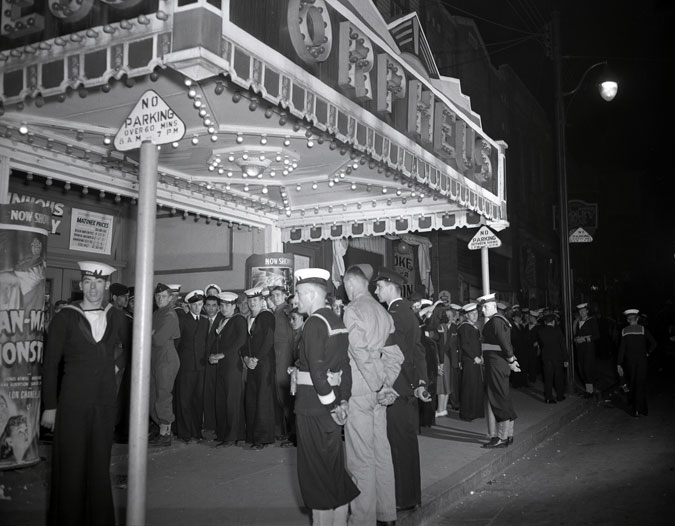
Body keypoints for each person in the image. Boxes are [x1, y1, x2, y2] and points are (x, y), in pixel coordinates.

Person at [41, 260, 128, 526]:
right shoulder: (65, 316)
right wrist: (50, 406)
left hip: (104, 404)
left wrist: (115, 365)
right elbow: (50, 364)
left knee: (99, 467)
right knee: (71, 468)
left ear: (106, 287)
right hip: (72, 403)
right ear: (81, 285)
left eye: (99, 282)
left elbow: (133, 348)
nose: (93, 288)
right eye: (88, 282)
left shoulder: (116, 315)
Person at [293, 268, 360, 525]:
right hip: (332, 407)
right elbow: (345, 367)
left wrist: (332, 404)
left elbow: (318, 371)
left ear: (311, 294)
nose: (296, 300)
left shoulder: (313, 324)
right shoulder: (336, 321)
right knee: (332, 469)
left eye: (299, 294)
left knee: (315, 474)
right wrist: (342, 399)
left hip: (314, 407)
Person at [342, 264, 403, 526]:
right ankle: (386, 515)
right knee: (381, 452)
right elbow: (394, 355)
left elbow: (359, 353)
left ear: (350, 284)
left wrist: (379, 385)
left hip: (360, 391)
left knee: (360, 459)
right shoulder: (383, 312)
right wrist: (386, 384)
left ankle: (362, 520)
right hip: (380, 394)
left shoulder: (352, 310)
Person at [374, 267, 430, 512]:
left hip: (396, 386)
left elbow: (391, 355)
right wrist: (420, 382)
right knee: (405, 442)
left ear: (390, 286)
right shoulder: (407, 311)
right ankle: (410, 496)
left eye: (378, 287)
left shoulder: (394, 314)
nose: (376, 291)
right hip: (407, 386)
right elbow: (418, 351)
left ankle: (401, 498)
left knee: (397, 444)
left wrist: (387, 384)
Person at [478, 293, 519, 449]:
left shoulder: (495, 321)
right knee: (504, 397)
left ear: (493, 306)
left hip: (496, 364)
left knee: (497, 398)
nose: (483, 310)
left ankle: (501, 438)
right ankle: (508, 435)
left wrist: (511, 360)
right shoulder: (499, 321)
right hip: (497, 363)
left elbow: (505, 344)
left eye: (486, 307)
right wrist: (511, 360)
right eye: (482, 307)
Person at [210, 291, 247, 446]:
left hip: (232, 365)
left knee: (231, 401)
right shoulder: (223, 320)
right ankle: (225, 433)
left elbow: (241, 341)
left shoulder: (238, 320)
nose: (224, 308)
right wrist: (213, 355)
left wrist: (222, 355)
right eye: (222, 305)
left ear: (234, 306)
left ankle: (232, 437)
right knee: (222, 400)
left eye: (227, 305)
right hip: (222, 366)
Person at [243, 286, 276, 450]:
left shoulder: (266, 316)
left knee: (262, 400)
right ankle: (252, 435)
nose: (252, 303)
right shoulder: (250, 318)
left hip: (264, 364)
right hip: (251, 364)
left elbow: (268, 340)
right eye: (249, 300)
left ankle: (263, 438)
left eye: (255, 300)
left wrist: (256, 358)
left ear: (262, 301)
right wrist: (247, 358)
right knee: (252, 399)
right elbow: (245, 343)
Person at [175, 290, 209, 443]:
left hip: (200, 367)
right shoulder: (182, 320)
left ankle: (197, 431)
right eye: (194, 304)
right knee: (184, 400)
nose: (197, 307)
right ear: (189, 305)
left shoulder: (205, 321)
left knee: (198, 400)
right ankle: (185, 432)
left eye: (200, 304)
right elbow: (176, 344)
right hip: (186, 366)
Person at [149, 283, 181, 447]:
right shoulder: (156, 313)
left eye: (163, 296)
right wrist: (151, 333)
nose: (160, 299)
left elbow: (158, 339)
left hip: (166, 357)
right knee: (152, 395)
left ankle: (165, 433)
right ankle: (160, 426)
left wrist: (150, 333)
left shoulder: (169, 315)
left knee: (163, 395)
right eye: (157, 296)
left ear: (170, 298)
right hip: (155, 357)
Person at [617, 309, 657, 417]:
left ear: (627, 320)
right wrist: (648, 353)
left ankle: (635, 410)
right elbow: (654, 343)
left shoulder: (624, 331)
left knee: (633, 384)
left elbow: (622, 349)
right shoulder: (643, 330)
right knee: (641, 384)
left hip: (630, 363)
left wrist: (619, 363)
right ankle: (643, 409)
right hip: (642, 361)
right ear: (637, 319)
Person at [269, 285, 295, 445]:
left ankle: (292, 434)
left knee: (286, 396)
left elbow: (291, 337)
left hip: (284, 358)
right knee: (279, 396)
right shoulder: (277, 312)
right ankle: (285, 432)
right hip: (277, 358)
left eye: (278, 294)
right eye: (273, 295)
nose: (275, 297)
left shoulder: (286, 312)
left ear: (285, 295)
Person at [457, 303, 484, 422]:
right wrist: (475, 357)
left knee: (476, 386)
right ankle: (467, 413)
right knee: (469, 387)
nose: (475, 316)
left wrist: (481, 356)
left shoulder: (474, 327)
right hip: (469, 361)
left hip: (476, 360)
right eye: (472, 314)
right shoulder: (465, 327)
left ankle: (475, 411)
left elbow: (477, 344)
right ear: (467, 315)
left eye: (476, 313)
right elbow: (465, 345)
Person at [202, 294, 223, 440]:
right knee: (206, 394)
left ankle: (217, 425)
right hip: (203, 364)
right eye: (208, 305)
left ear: (219, 307)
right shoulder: (202, 320)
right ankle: (209, 424)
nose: (211, 308)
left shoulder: (223, 320)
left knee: (217, 395)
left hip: (218, 363)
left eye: (214, 305)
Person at [537, 314, 568, 404]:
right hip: (557, 358)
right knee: (558, 378)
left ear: (545, 322)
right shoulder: (557, 331)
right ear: (553, 322)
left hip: (546, 358)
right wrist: (566, 359)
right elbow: (562, 345)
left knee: (548, 378)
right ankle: (560, 396)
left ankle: (548, 398)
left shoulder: (540, 331)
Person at [573, 303, 600, 398]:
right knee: (581, 369)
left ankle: (590, 391)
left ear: (587, 311)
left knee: (587, 369)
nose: (582, 312)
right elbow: (576, 334)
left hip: (589, 348)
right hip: (580, 348)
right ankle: (588, 388)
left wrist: (585, 339)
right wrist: (576, 339)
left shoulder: (592, 320)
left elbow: (597, 335)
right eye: (580, 311)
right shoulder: (577, 321)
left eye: (583, 311)